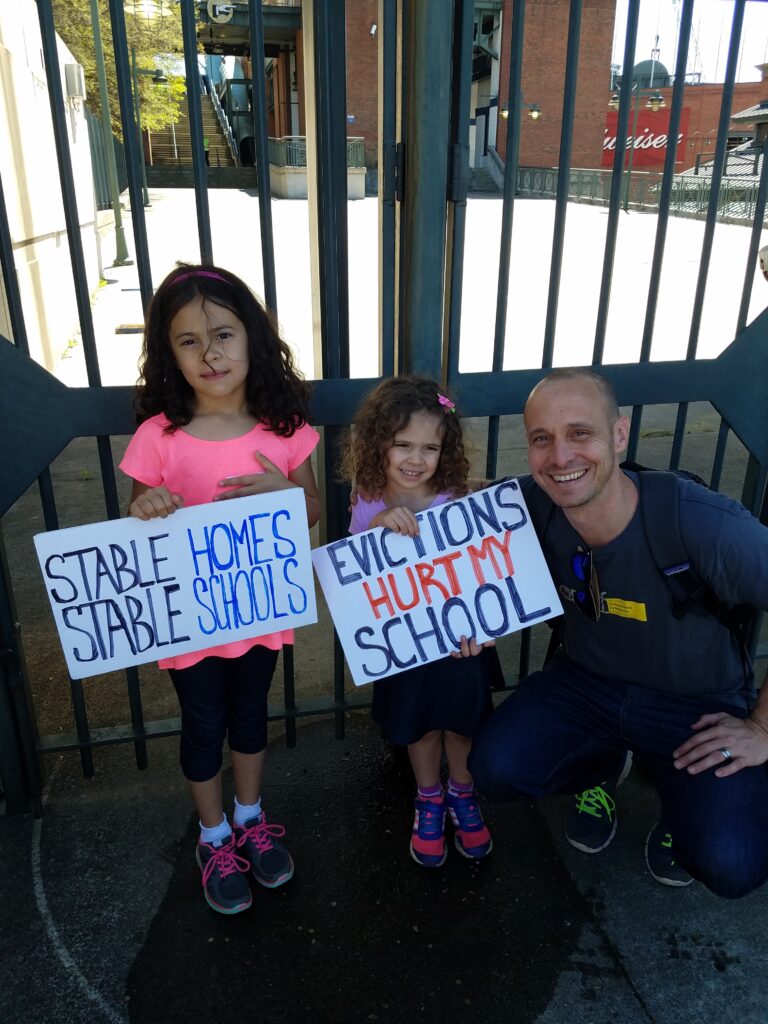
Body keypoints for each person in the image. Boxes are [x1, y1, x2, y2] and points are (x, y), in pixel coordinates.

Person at [468, 367, 768, 899]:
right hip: (587, 685)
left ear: (620, 435)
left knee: (733, 864)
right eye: (542, 439)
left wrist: (763, 730)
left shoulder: (700, 523)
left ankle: (678, 802)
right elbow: (444, 508)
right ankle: (606, 766)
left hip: (696, 707)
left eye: (579, 433)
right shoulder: (530, 504)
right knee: (494, 768)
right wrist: (393, 516)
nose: (560, 457)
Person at [120, 264, 320, 915]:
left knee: (251, 715)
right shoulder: (159, 436)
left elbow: (313, 508)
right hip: (190, 622)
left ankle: (251, 816)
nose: (210, 354)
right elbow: (137, 515)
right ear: (167, 353)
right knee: (204, 721)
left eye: (224, 334)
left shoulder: (283, 427)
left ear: (253, 338)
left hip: (258, 613)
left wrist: (289, 494)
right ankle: (213, 837)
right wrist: (148, 508)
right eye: (188, 341)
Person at [341, 375, 503, 868]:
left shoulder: (456, 498)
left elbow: (486, 568)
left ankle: (463, 792)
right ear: (378, 445)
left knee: (460, 726)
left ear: (445, 450)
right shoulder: (367, 497)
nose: (415, 459)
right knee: (420, 729)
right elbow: (355, 570)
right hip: (407, 645)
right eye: (402, 445)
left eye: (429, 448)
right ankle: (429, 798)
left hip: (459, 643)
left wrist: (488, 623)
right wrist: (374, 527)